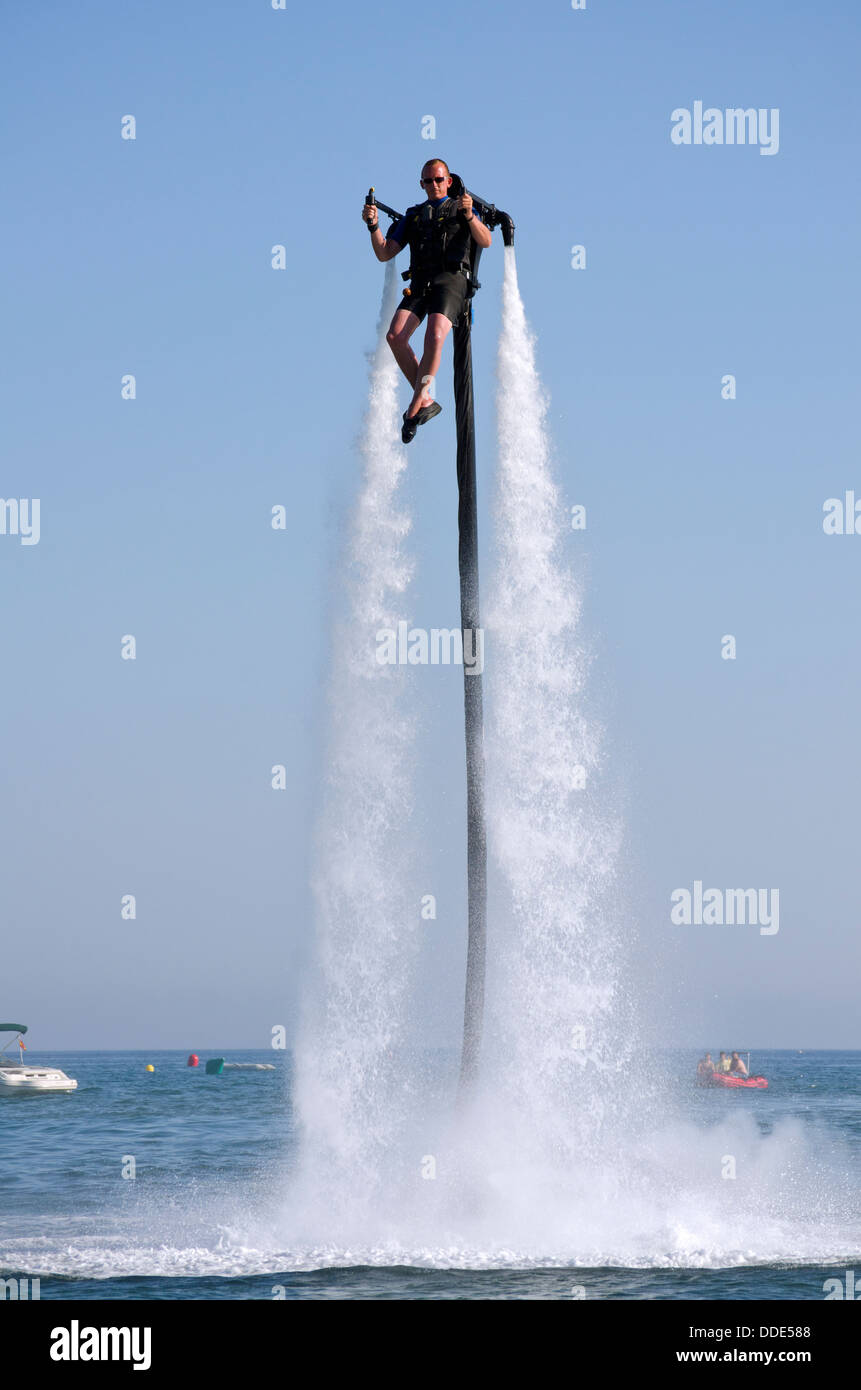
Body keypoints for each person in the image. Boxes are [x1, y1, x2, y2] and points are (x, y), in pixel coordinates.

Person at [362, 158, 492, 443]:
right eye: (427, 181)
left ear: (448, 181)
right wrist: (373, 226)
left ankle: (413, 408)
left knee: (434, 336)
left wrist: (470, 217)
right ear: (421, 184)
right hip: (422, 283)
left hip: (450, 281)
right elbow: (385, 252)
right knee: (395, 336)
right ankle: (425, 400)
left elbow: (485, 240)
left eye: (438, 179)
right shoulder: (415, 215)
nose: (433, 185)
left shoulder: (461, 208)